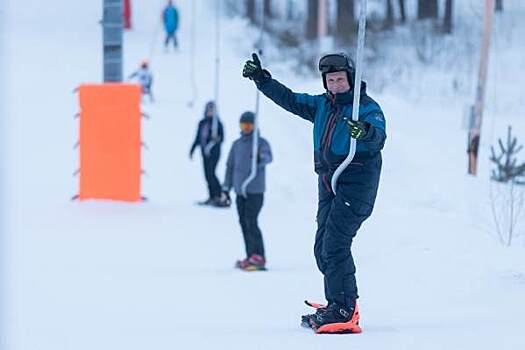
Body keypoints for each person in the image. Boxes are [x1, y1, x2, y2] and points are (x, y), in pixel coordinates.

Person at [242, 52, 386, 333]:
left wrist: (365, 132)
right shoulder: (322, 105)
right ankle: (338, 301)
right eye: (330, 80)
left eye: (340, 80)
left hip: (356, 183)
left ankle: (344, 309)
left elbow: (379, 135)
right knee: (322, 249)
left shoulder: (366, 108)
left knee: (335, 245)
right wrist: (262, 79)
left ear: (351, 80)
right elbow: (291, 99)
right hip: (329, 183)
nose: (335, 85)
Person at [221, 112, 273, 271]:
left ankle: (259, 255)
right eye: (243, 126)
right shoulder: (237, 144)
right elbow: (230, 166)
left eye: (249, 126)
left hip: (254, 190)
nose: (246, 129)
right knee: (243, 222)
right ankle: (250, 254)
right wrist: (226, 188)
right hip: (239, 191)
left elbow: (268, 157)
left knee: (251, 221)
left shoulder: (260, 143)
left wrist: (260, 158)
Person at [190, 101, 224, 206]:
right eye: (209, 110)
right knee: (207, 175)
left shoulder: (217, 123)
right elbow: (198, 138)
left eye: (212, 110)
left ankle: (219, 195)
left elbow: (221, 138)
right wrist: (192, 149)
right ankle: (211, 196)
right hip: (204, 153)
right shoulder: (202, 123)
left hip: (214, 152)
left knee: (211, 173)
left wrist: (216, 138)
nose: (210, 112)